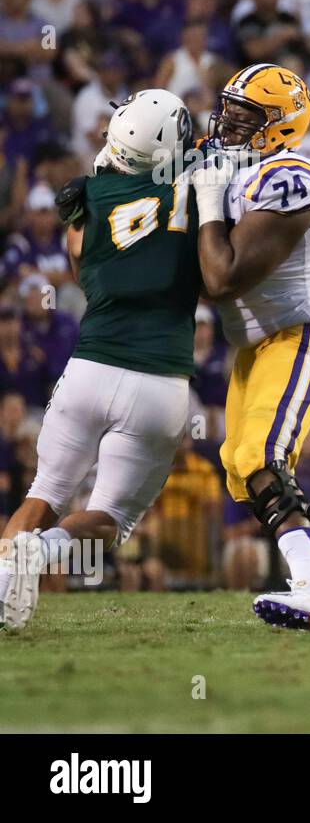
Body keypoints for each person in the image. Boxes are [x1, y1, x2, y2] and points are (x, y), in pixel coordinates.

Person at [189, 63, 310, 633]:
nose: (228, 123)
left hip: (303, 334)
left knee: (262, 456)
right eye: (229, 109)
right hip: (256, 345)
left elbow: (224, 279)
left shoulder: (292, 175)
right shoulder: (230, 162)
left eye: (246, 116)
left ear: (281, 125)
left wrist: (205, 200)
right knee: (240, 467)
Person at [0, 90, 197, 631]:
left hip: (91, 367)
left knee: (43, 493)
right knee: (110, 519)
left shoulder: (86, 199)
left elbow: (82, 261)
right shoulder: (205, 191)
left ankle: (2, 586)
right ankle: (40, 554)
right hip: (160, 381)